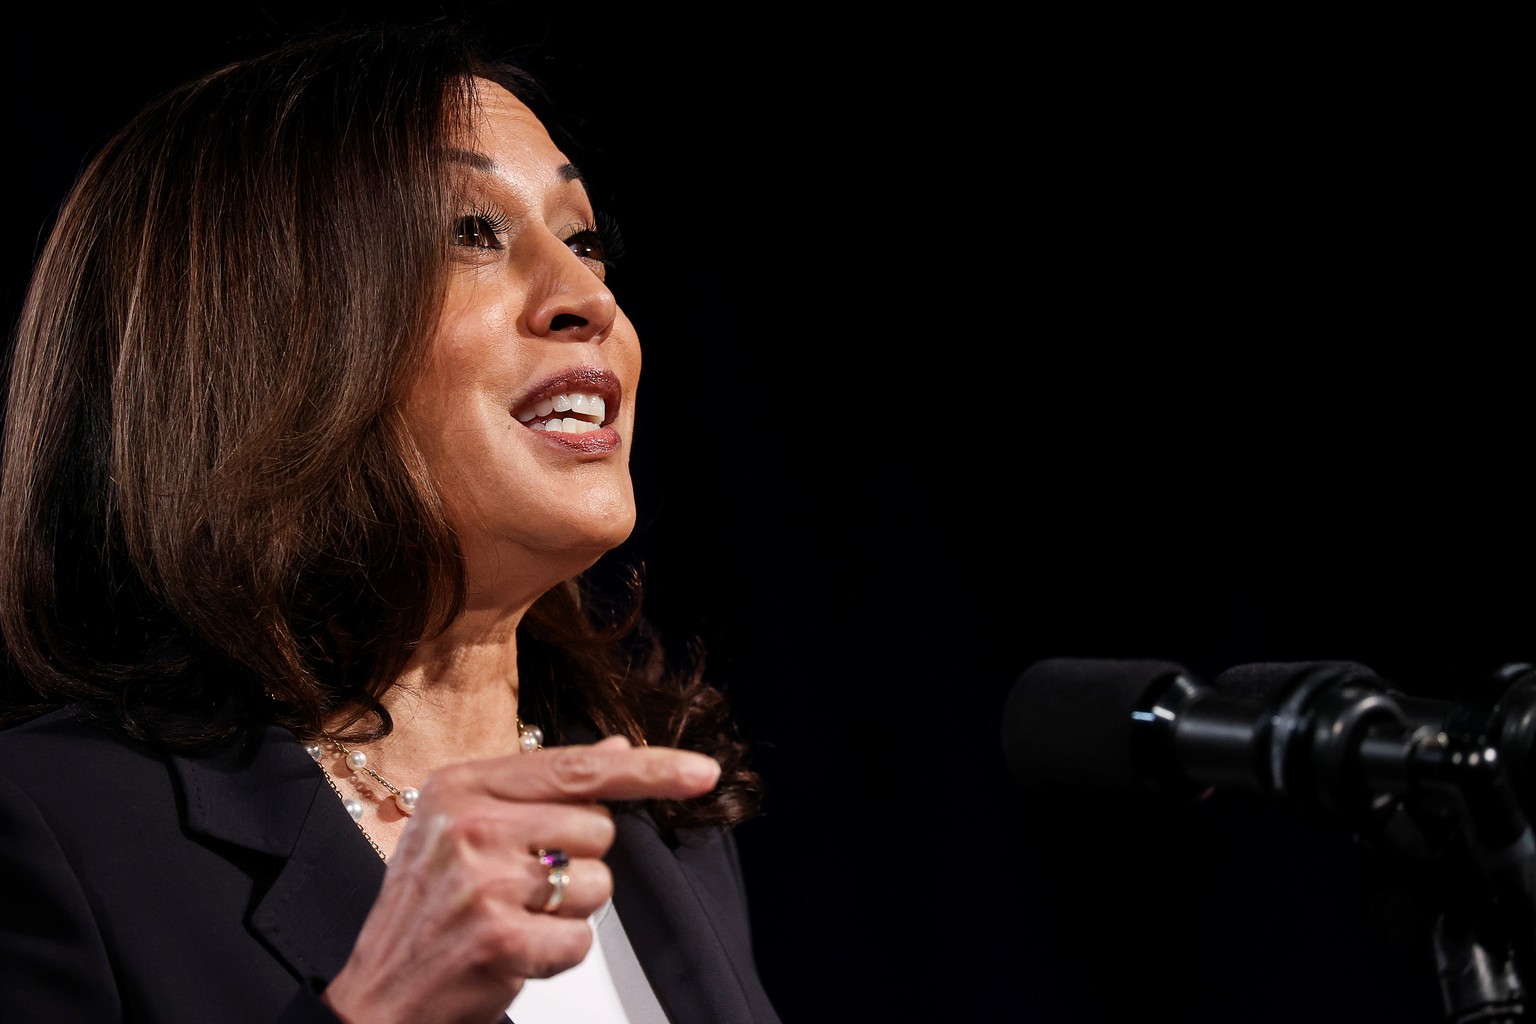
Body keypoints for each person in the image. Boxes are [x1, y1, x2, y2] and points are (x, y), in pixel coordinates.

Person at [0, 18, 780, 1024]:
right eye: (468, 232)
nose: (585, 295)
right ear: (263, 338)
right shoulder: (56, 830)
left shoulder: (658, 822)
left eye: (584, 239)